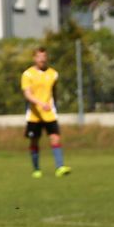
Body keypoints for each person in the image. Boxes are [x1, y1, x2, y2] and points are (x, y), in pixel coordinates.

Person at [20, 47, 70, 178]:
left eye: (44, 56)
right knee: (34, 141)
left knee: (55, 138)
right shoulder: (27, 74)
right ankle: (36, 169)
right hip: (34, 115)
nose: (42, 59)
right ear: (34, 58)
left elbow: (54, 92)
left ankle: (60, 167)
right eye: (39, 56)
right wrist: (40, 103)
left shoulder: (53, 74)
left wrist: (54, 105)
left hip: (49, 114)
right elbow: (27, 94)